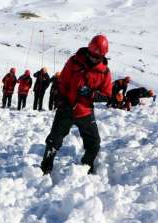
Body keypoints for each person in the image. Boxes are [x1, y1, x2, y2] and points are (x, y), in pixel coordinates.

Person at [40, 34, 113, 175]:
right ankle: (46, 167)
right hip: (66, 108)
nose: (93, 58)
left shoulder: (104, 72)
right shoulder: (74, 61)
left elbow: (107, 95)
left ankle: (86, 166)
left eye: (97, 56)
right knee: (53, 140)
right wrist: (61, 99)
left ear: (103, 55)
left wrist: (92, 94)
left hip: (85, 112)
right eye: (92, 54)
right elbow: (63, 82)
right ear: (88, 50)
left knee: (94, 143)